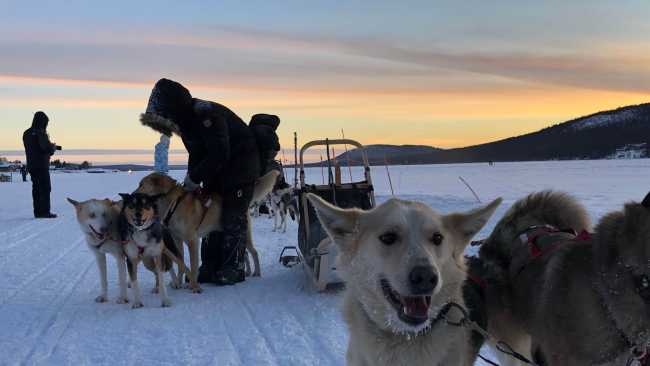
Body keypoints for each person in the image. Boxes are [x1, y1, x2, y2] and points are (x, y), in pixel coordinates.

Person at [140, 78, 280, 285]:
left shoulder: (206, 115)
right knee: (209, 218)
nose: (165, 120)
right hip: (218, 172)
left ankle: (233, 267)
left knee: (233, 217)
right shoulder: (187, 122)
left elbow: (219, 152)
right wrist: (191, 179)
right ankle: (210, 266)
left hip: (241, 169)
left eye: (165, 114)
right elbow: (196, 154)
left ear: (173, 106)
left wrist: (196, 178)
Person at [22, 111, 61, 218]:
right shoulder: (41, 133)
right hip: (42, 165)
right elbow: (46, 148)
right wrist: (52, 147)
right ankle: (44, 212)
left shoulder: (26, 133)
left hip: (31, 165)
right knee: (45, 188)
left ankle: (38, 212)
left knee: (36, 189)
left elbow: (32, 147)